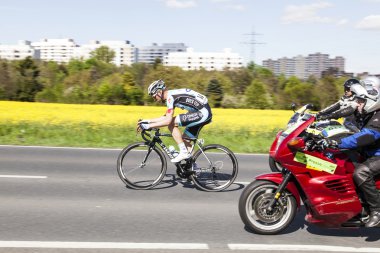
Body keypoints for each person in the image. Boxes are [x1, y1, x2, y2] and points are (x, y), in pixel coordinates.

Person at [322, 92, 380, 227]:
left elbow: (366, 136)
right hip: (370, 152)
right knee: (344, 161)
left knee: (361, 172)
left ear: (372, 102)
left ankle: (377, 211)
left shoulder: (378, 117)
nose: (357, 103)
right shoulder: (367, 114)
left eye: (361, 101)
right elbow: (349, 125)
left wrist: (337, 143)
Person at [137, 80, 212, 163]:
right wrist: (147, 121)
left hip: (203, 113)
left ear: (159, 92)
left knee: (171, 124)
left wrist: (148, 126)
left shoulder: (170, 97)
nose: (155, 99)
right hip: (200, 112)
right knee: (185, 141)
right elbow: (165, 117)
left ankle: (183, 152)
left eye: (154, 96)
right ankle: (193, 169)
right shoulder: (171, 95)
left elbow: (168, 121)